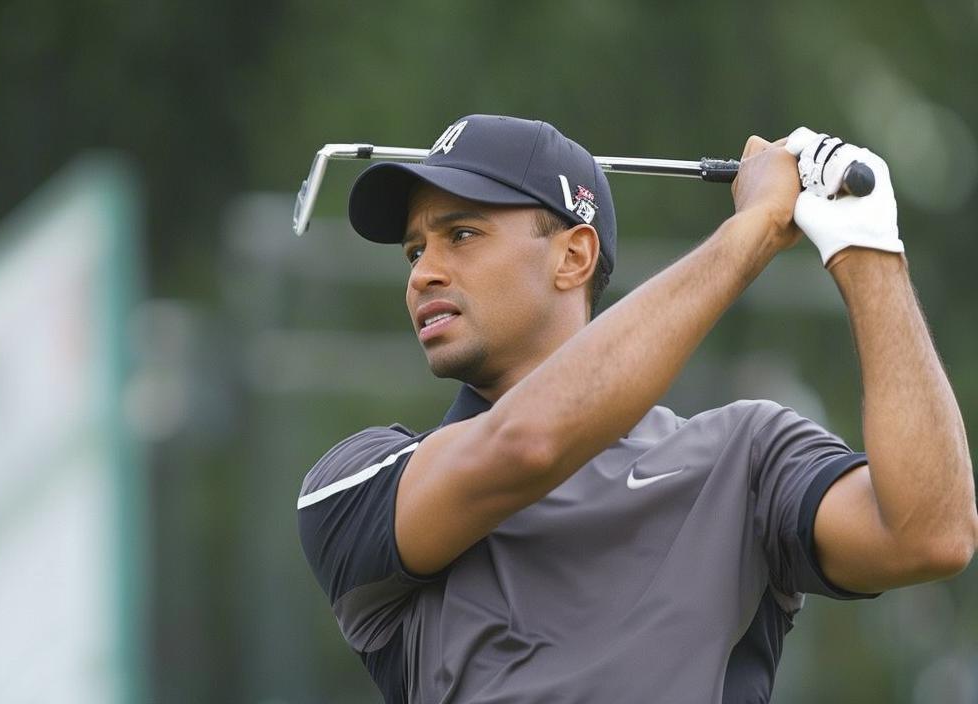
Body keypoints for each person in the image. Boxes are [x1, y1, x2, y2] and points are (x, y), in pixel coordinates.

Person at [296, 114, 977, 703]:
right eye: (415, 250)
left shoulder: (746, 458)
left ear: (574, 256)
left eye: (462, 235)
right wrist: (754, 230)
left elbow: (931, 534)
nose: (423, 271)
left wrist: (869, 248)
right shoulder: (358, 483)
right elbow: (526, 444)